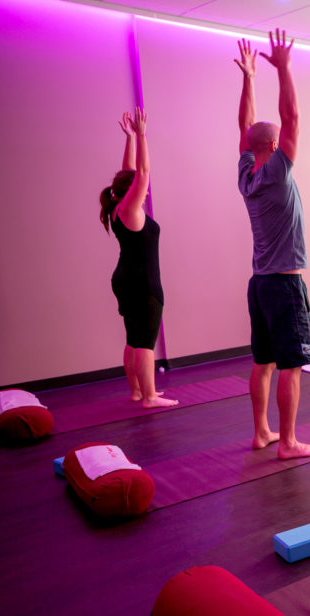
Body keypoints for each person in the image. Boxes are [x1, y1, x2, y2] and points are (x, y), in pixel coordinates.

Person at [234, 30, 310, 459]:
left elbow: (243, 126)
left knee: (263, 361)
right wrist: (284, 69)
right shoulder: (274, 173)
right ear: (273, 146)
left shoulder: (247, 175)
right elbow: (293, 119)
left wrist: (250, 77)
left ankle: (261, 432)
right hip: (284, 284)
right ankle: (287, 442)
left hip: (259, 284)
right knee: (291, 365)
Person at [99, 107, 178, 409]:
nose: (145, 188)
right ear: (131, 190)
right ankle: (148, 397)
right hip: (142, 284)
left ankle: (136, 392)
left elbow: (129, 172)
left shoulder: (121, 208)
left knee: (133, 339)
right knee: (145, 342)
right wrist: (143, 135)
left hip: (125, 279)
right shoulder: (130, 209)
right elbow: (141, 173)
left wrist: (130, 139)